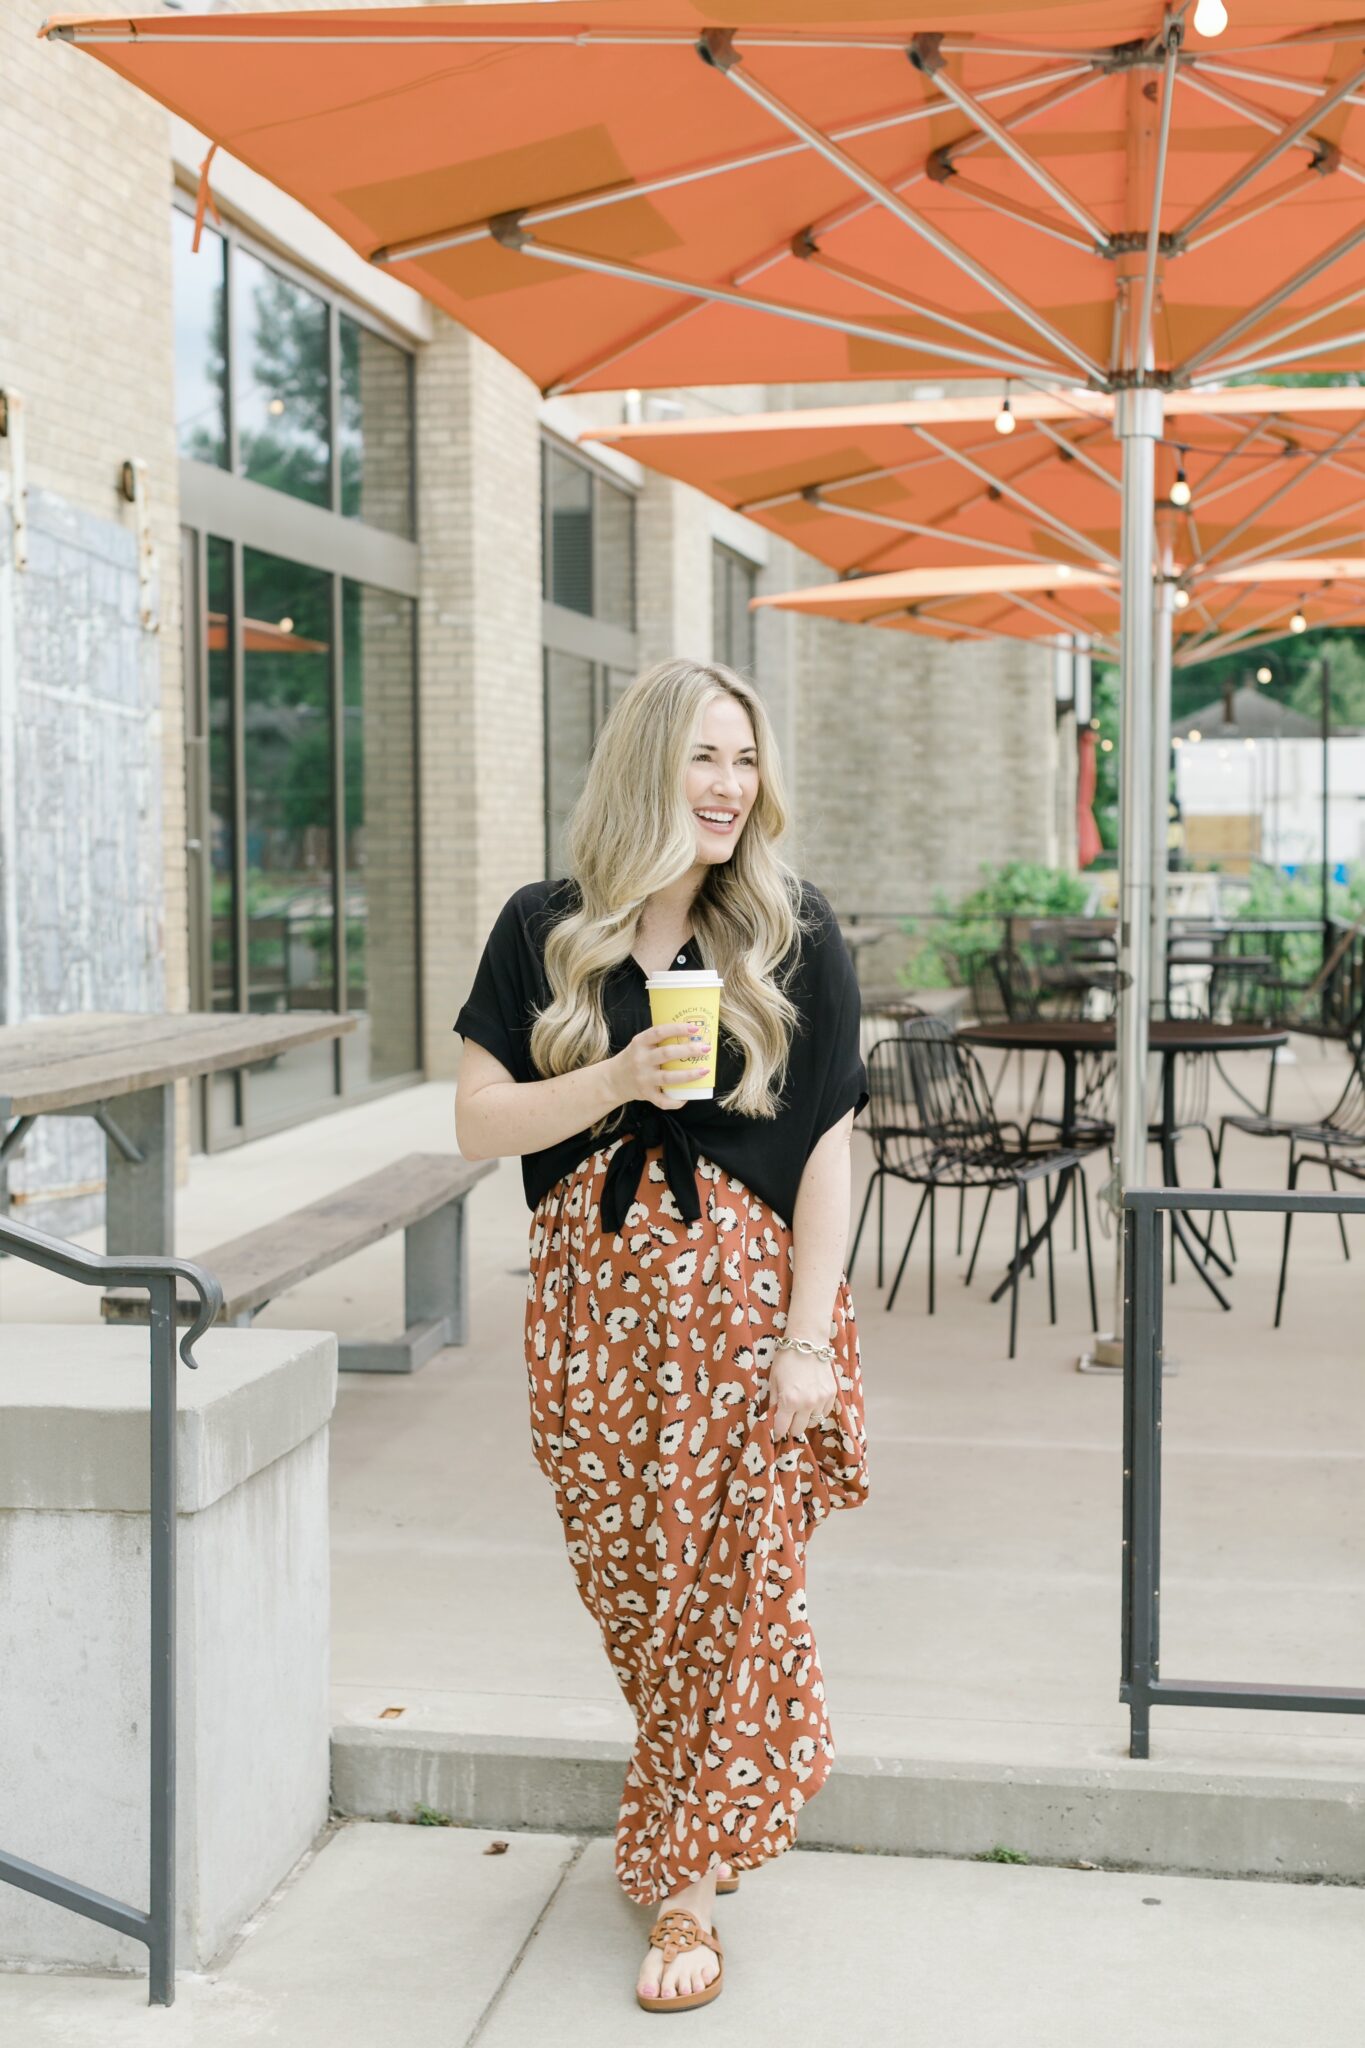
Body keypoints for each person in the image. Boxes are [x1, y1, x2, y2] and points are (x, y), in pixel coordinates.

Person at [453, 658, 869, 2014]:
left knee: (738, 1598)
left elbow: (828, 1147)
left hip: (745, 1328)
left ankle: (682, 1887)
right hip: (591, 1331)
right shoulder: (544, 930)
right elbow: (476, 1123)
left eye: (745, 761)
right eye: (704, 757)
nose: (728, 787)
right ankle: (705, 1786)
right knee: (644, 1609)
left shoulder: (792, 931)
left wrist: (808, 1341)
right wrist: (615, 1077)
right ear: (648, 766)